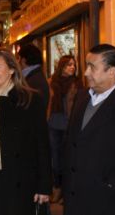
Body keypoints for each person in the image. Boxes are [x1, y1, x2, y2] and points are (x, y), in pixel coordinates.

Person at [0, 47, 51, 214]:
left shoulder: (30, 99)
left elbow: (41, 144)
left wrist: (44, 185)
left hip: (19, 176)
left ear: (12, 69)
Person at [62, 44, 115, 215]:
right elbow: (71, 140)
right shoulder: (82, 96)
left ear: (111, 71)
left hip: (108, 201)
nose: (85, 73)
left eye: (92, 67)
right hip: (74, 197)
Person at [47, 55, 82, 202]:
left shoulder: (77, 83)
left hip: (70, 123)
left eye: (73, 65)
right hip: (54, 122)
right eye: (69, 65)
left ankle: (66, 191)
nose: (72, 67)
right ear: (61, 66)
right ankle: (57, 187)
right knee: (55, 159)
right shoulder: (51, 82)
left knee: (69, 157)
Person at [17, 43, 50, 109]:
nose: (17, 61)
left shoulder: (33, 80)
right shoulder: (36, 75)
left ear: (23, 60)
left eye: (18, 58)